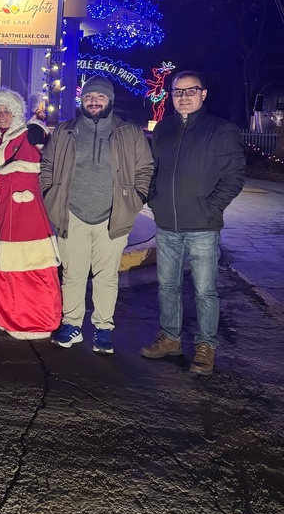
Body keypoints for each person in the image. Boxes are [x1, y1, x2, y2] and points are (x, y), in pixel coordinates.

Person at [140, 70, 245, 375]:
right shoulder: (163, 128)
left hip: (203, 226)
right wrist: (154, 199)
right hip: (167, 223)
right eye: (178, 92)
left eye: (190, 91)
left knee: (205, 290)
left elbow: (234, 176)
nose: (184, 97)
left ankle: (206, 346)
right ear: (171, 95)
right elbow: (152, 169)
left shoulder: (220, 130)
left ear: (203, 94)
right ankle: (170, 338)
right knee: (167, 286)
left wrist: (210, 208)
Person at [40, 75, 153, 354]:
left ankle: (103, 328)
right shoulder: (65, 131)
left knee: (107, 276)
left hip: (113, 216)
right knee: (73, 274)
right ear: (82, 100)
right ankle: (72, 324)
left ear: (110, 100)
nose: (94, 101)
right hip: (71, 214)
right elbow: (47, 166)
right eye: (89, 96)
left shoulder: (129, 132)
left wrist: (135, 199)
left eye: (100, 96)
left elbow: (145, 169)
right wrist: (50, 196)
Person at [0, 89, 61, 339]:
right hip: (1, 206)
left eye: (7, 111)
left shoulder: (28, 133)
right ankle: (3, 314)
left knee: (28, 263)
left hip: (23, 209)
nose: (2, 115)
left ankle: (33, 319)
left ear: (17, 113)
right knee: (2, 261)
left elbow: (24, 172)